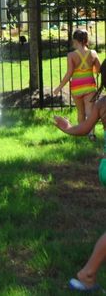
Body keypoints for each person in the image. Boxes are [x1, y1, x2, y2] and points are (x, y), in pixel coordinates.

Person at [54, 60, 106, 291]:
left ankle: (88, 274)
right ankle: (87, 274)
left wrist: (66, 127)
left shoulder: (102, 104)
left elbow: (83, 129)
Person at [54, 29, 101, 141]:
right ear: (86, 40)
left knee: (80, 112)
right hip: (90, 86)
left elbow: (69, 73)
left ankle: (82, 134)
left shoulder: (71, 55)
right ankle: (91, 135)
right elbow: (98, 70)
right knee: (90, 112)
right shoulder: (93, 53)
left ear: (75, 40)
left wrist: (59, 87)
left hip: (76, 87)